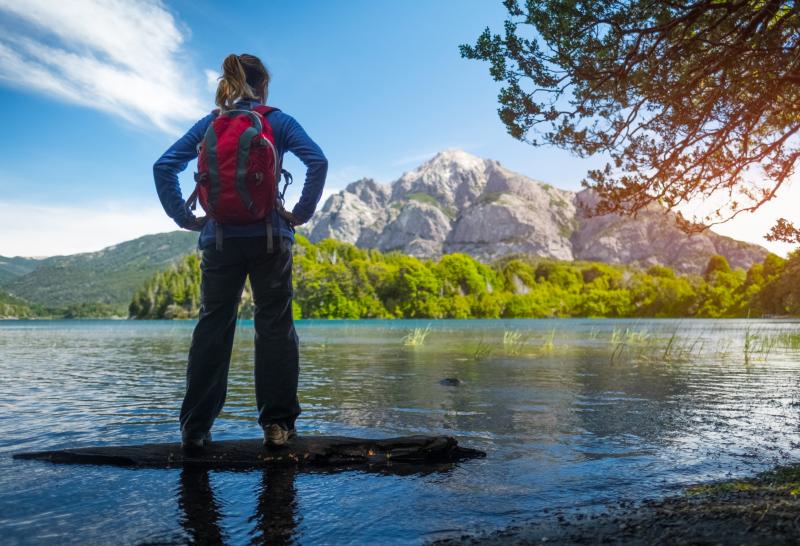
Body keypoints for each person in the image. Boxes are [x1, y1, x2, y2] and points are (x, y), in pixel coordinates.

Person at [153, 53, 327, 450]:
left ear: (230, 84)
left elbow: (164, 167)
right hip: (270, 239)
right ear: (263, 85)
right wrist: (299, 213)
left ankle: (195, 429)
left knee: (212, 328)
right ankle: (277, 427)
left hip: (219, 240)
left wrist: (184, 217)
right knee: (275, 327)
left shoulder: (210, 123)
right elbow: (317, 161)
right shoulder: (278, 121)